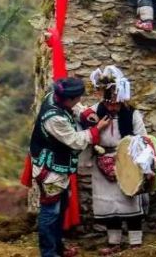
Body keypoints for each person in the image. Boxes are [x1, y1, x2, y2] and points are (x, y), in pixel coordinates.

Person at [28, 76, 111, 257]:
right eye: (78, 98)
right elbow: (74, 140)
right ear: (69, 98)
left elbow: (74, 108)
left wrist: (84, 113)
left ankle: (58, 248)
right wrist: (97, 129)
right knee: (50, 213)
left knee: (60, 209)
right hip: (50, 170)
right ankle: (49, 253)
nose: (80, 100)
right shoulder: (54, 118)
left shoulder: (54, 96)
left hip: (60, 167)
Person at [87, 66, 148, 253]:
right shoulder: (92, 113)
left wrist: (138, 162)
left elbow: (142, 139)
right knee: (109, 204)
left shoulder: (132, 115)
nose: (113, 107)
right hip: (101, 160)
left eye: (117, 103)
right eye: (109, 104)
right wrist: (97, 129)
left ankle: (135, 243)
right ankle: (114, 242)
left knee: (129, 200)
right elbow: (84, 134)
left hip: (127, 162)